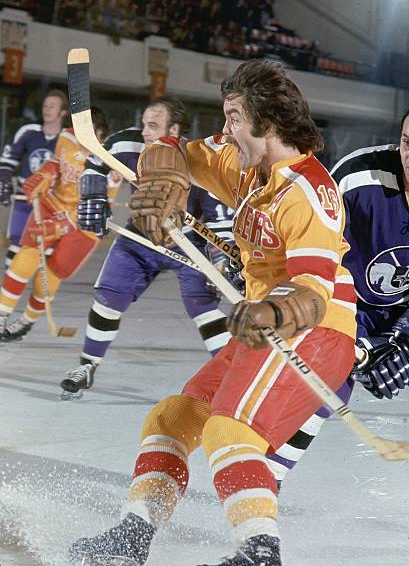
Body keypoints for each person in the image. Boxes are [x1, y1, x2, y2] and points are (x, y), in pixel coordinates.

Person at [68, 59, 357, 566]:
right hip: (266, 327)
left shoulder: (310, 193)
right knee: (172, 418)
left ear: (267, 124)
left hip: (315, 330)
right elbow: (176, 150)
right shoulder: (243, 161)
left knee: (229, 430)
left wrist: (271, 310)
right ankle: (135, 534)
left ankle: (259, 550)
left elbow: (312, 293)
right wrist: (164, 173)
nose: (225, 130)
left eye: (233, 118)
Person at [59, 95, 234, 397]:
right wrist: (93, 196)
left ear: (175, 129)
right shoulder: (129, 143)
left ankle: (234, 379)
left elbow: (218, 223)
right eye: (144, 125)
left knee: (204, 308)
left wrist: (222, 260)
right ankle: (87, 365)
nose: (145, 133)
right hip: (139, 236)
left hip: (187, 242)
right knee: (108, 298)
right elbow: (96, 163)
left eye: (153, 126)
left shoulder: (199, 159)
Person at [0, 107, 109, 340]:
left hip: (84, 225)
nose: (77, 137)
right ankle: (1, 315)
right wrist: (45, 175)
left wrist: (60, 226)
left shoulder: (110, 160)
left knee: (50, 275)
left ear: (98, 132)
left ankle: (26, 321)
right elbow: (56, 160)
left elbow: (95, 208)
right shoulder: (68, 136)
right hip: (52, 204)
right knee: (24, 259)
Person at [329, 111, 409, 400]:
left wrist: (404, 344)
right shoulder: (358, 175)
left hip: (399, 312)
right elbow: (312, 241)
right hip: (344, 301)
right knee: (325, 393)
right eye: (407, 142)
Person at [0, 89, 68, 267]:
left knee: (47, 248)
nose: (47, 109)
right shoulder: (28, 131)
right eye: (45, 105)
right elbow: (7, 160)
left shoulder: (69, 138)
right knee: (17, 243)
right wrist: (4, 179)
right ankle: (9, 289)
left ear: (62, 112)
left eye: (52, 106)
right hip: (25, 197)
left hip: (51, 202)